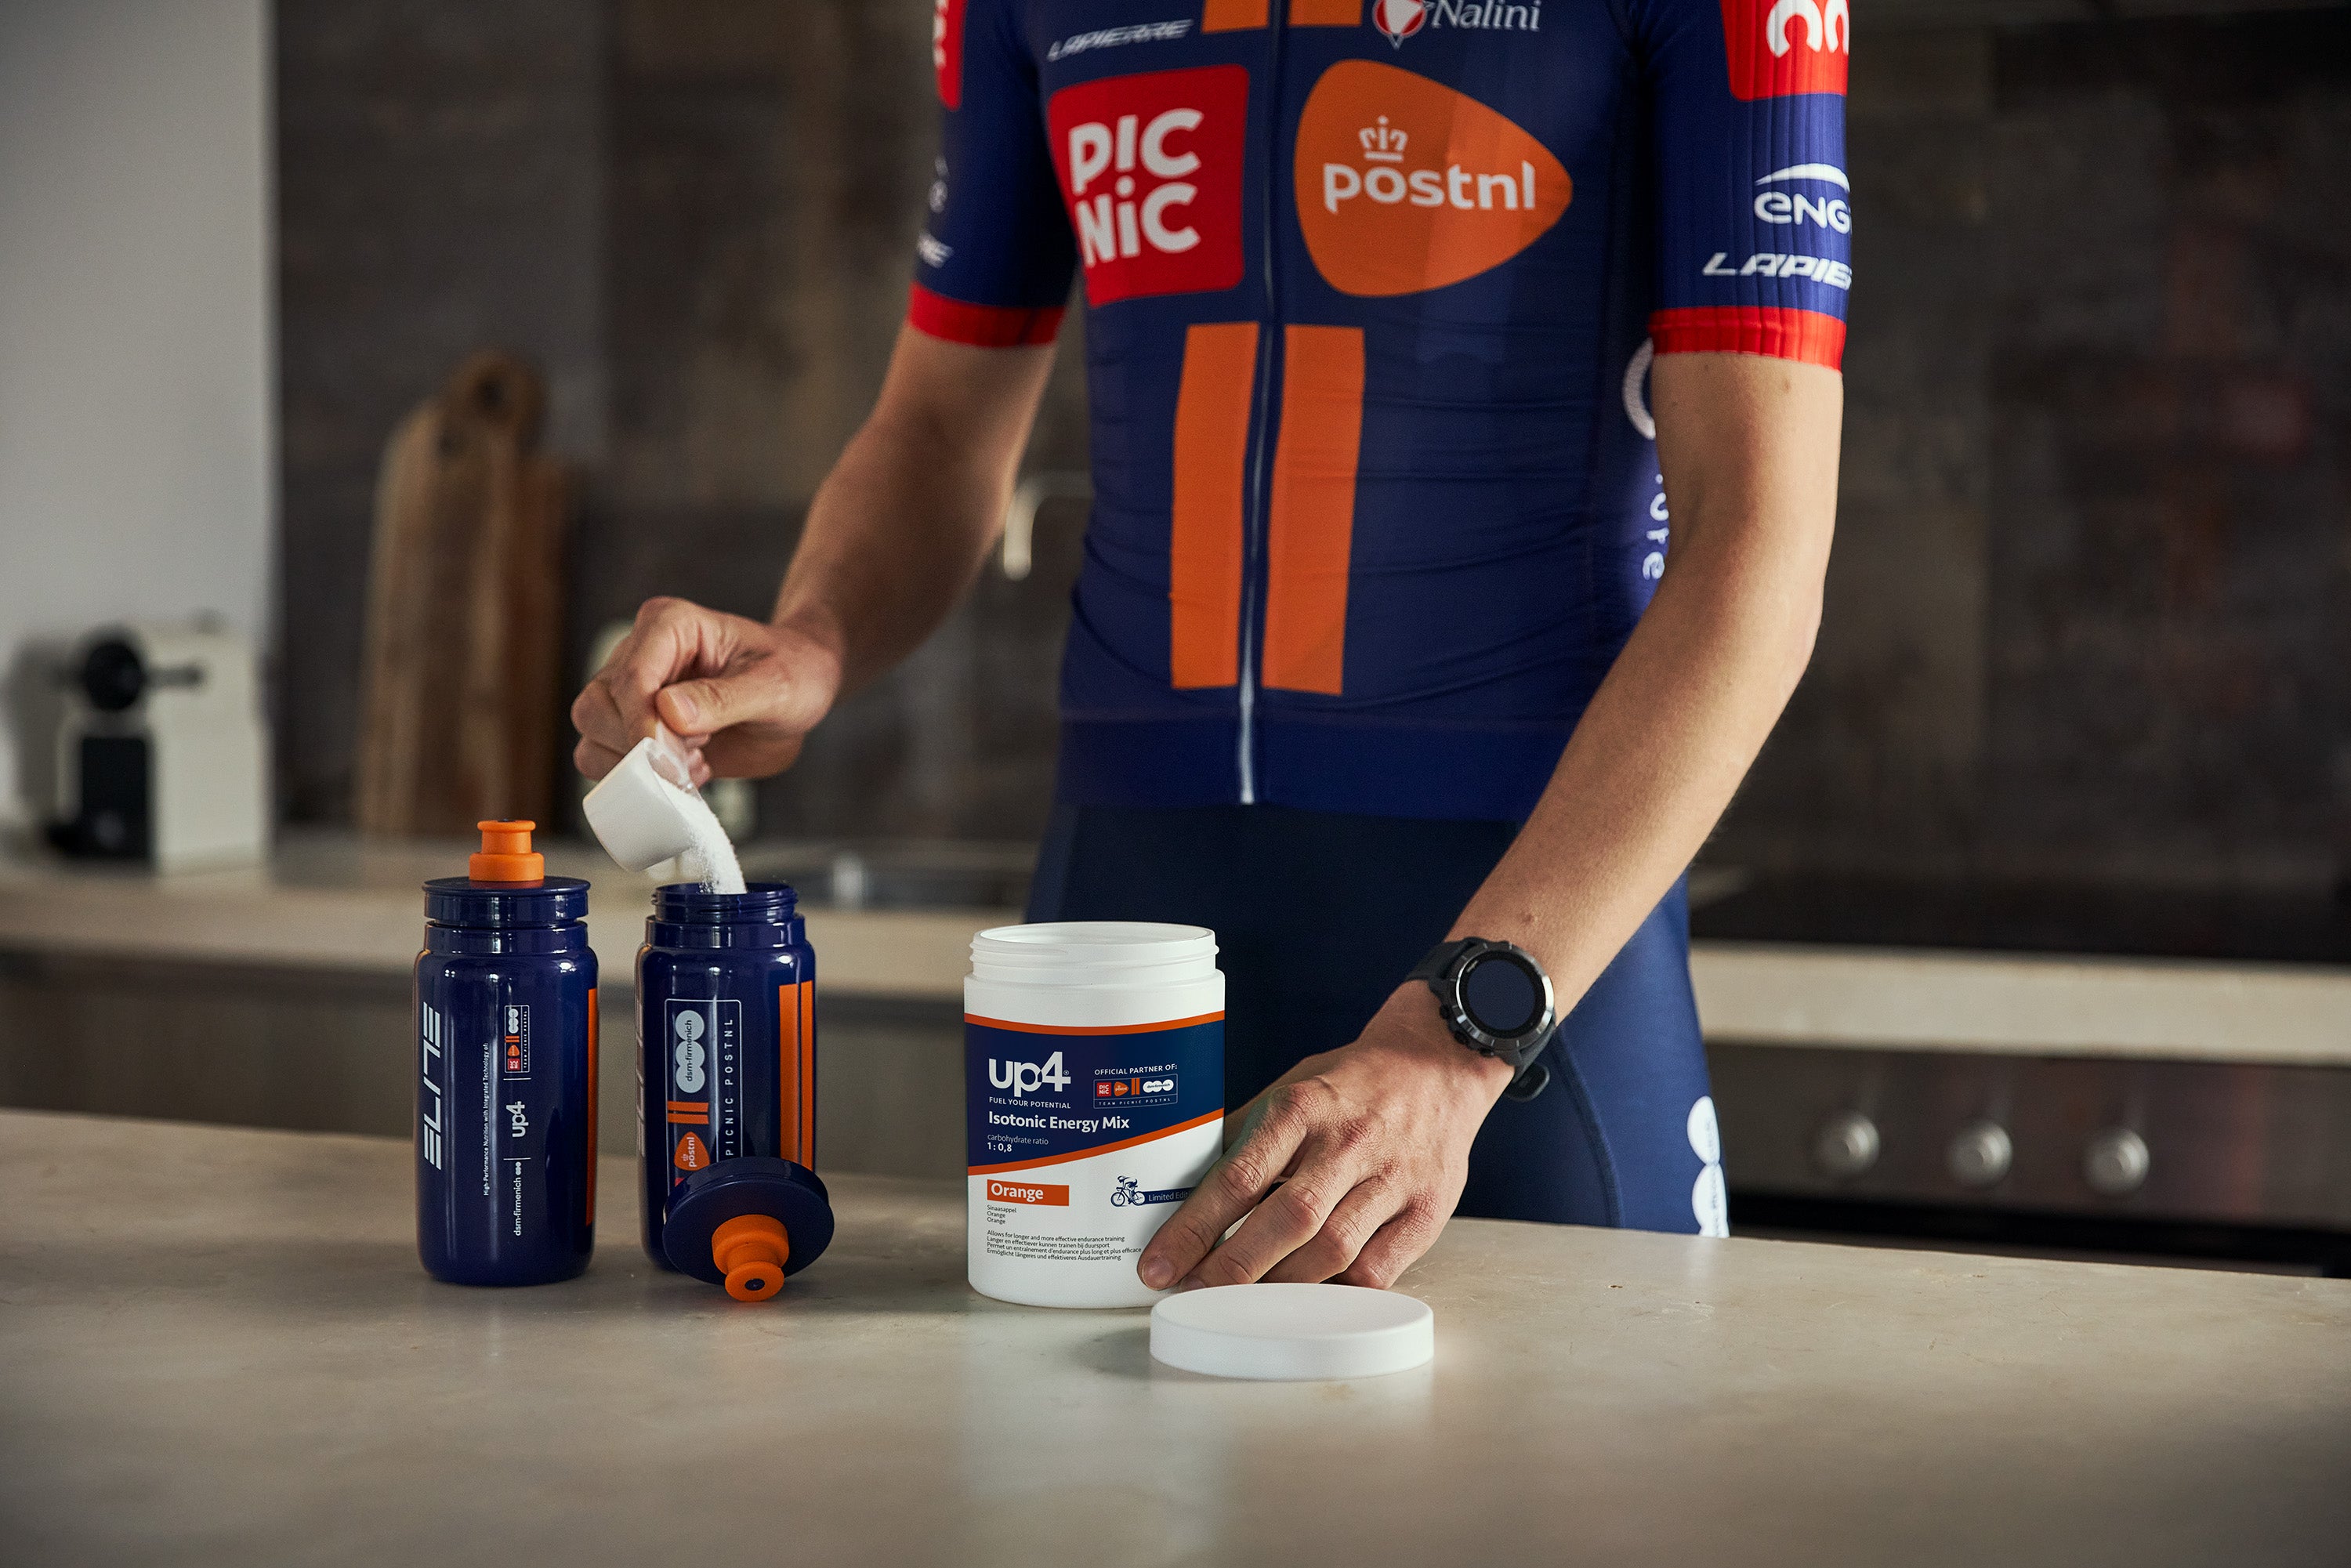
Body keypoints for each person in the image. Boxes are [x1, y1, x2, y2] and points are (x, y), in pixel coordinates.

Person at [573, 0, 1849, 1294]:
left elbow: (1760, 552)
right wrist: (815, 638)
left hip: (1517, 938)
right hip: (1124, 891)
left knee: (1562, 1486)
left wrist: (1462, 1032)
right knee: (1060, 1478)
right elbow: (942, 420)